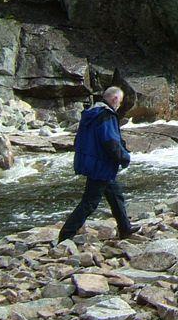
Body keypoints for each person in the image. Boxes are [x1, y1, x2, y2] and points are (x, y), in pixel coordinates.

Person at [58, 86, 139, 242]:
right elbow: (110, 141)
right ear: (115, 99)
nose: (119, 105)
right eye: (120, 102)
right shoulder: (106, 115)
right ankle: (66, 235)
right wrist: (124, 157)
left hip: (93, 162)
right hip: (101, 165)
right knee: (90, 202)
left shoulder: (91, 113)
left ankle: (125, 228)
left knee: (115, 195)